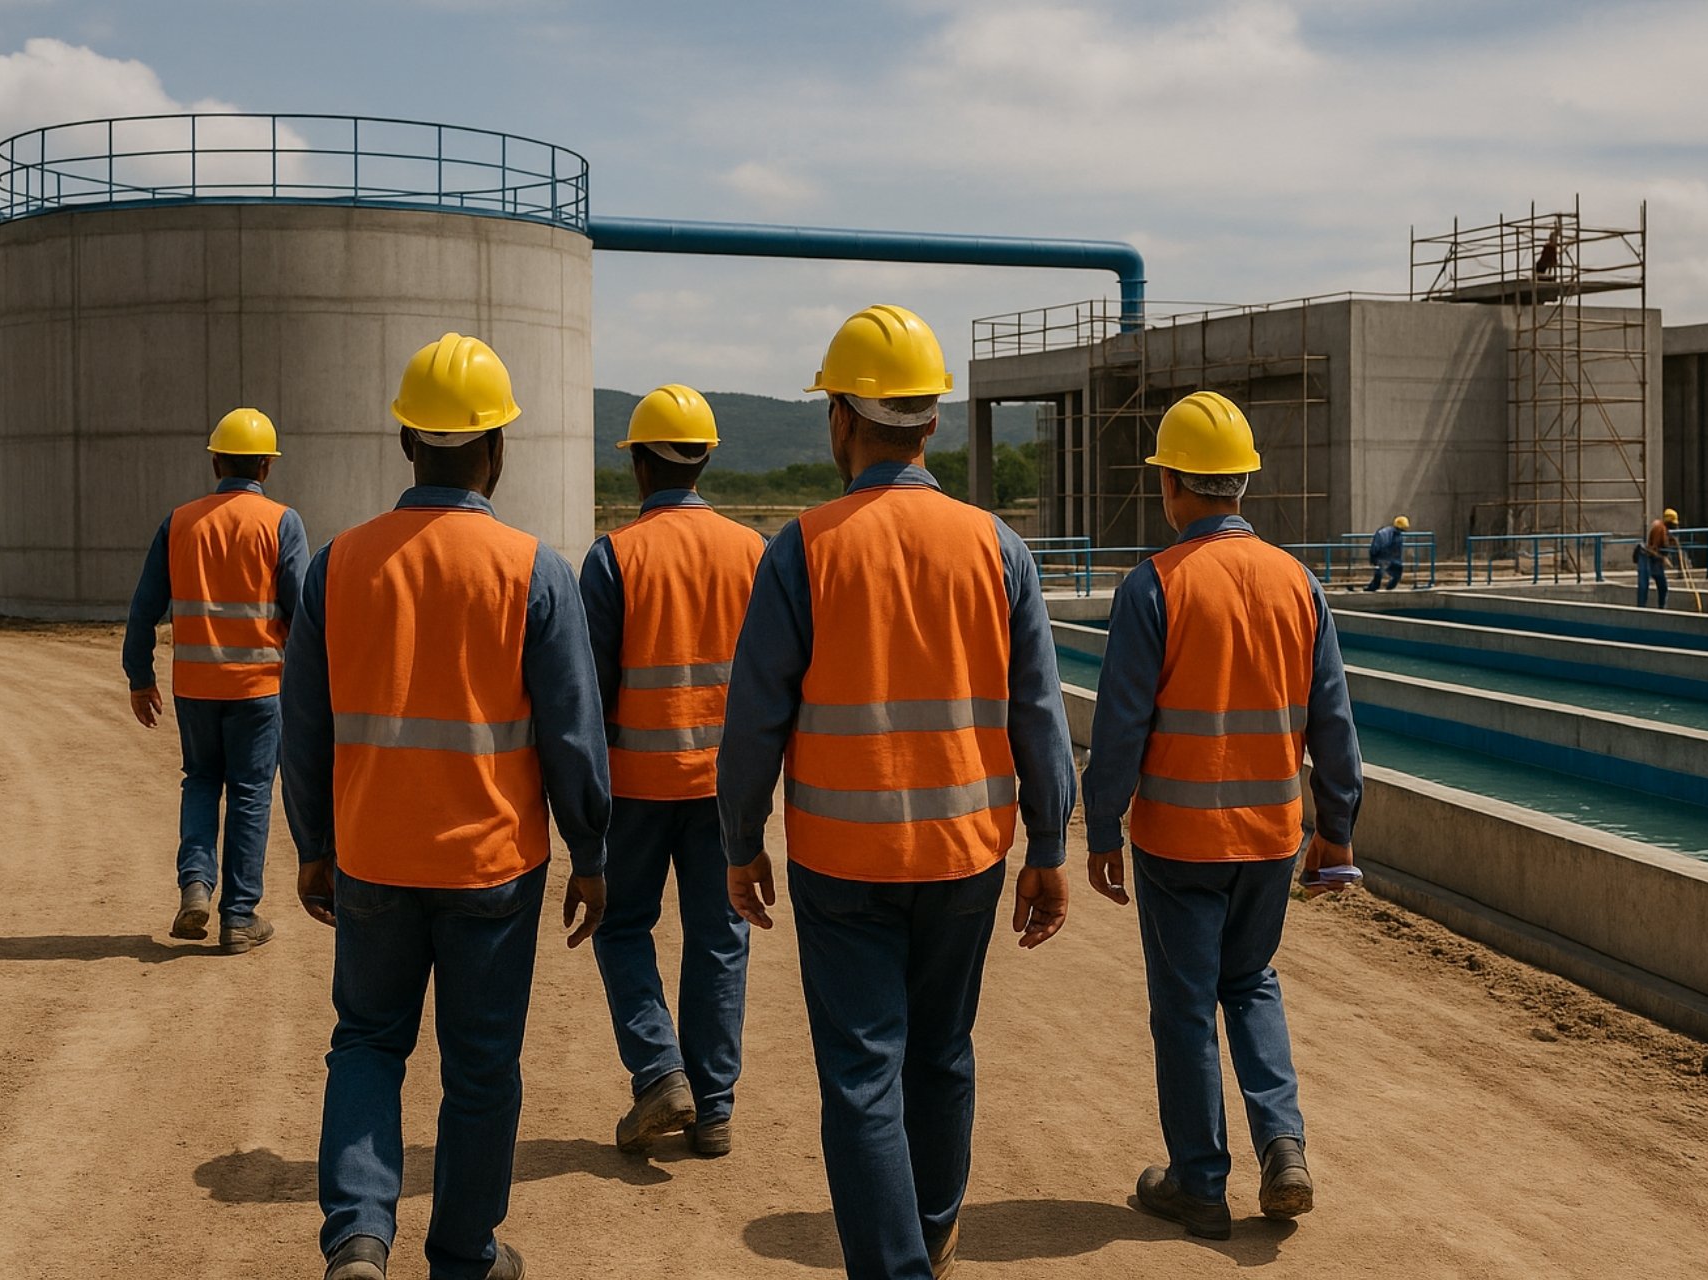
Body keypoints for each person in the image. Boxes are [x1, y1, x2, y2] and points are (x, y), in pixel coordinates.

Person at [716, 303, 1076, 1279]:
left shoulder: (803, 548)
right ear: (932, 420)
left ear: (841, 417)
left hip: (842, 862)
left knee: (861, 1071)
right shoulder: (997, 546)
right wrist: (1048, 847)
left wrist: (740, 841)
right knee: (943, 1050)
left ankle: (896, 1262)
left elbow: (753, 721)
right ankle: (936, 1229)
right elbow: (1039, 716)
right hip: (964, 856)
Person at [280, 333, 612, 1280]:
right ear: (498, 448)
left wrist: (314, 843)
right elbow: (572, 733)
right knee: (481, 1067)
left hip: (372, 856)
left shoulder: (339, 565)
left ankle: (358, 1238)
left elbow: (304, 723)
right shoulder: (532, 569)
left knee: (367, 1043)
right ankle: (464, 1255)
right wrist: (591, 851)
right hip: (492, 870)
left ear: (405, 442)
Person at [1081, 391, 1363, 1241]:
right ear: (1243, 482)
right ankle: (1284, 1146)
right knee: (1250, 981)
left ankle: (1200, 1184)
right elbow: (1334, 724)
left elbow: (1120, 728)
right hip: (1271, 837)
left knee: (1184, 1006)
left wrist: (1102, 828)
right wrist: (1337, 829)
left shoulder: (1154, 586)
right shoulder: (1298, 583)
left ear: (1171, 484)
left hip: (1179, 841)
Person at [579, 385, 765, 1159]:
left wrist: (580, 813)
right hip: (724, 789)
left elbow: (586, 695)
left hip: (635, 787)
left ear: (639, 466)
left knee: (621, 924)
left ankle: (660, 1070)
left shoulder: (613, 557)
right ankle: (713, 1108)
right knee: (720, 936)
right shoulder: (753, 551)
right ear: (705, 460)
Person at [122, 407, 307, 954]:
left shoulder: (180, 522)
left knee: (202, 780)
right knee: (250, 793)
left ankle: (196, 887)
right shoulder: (281, 523)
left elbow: (143, 608)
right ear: (266, 467)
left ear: (216, 463)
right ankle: (239, 917)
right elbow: (302, 613)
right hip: (258, 689)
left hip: (195, 687)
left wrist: (139, 677)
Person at [1637, 507, 1680, 608]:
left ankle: (1661, 608)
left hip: (1655, 561)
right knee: (1644, 587)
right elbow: (1652, 549)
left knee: (1663, 586)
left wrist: (1674, 542)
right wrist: (1663, 559)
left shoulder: (1665, 531)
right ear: (1669, 522)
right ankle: (1641, 609)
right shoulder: (1659, 529)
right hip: (1647, 558)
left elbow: (1665, 544)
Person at [1365, 515, 1409, 591]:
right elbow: (1379, 546)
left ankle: (1376, 586)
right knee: (1385, 570)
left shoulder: (1388, 533)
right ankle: (1378, 586)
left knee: (1383, 571)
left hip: (1386, 557)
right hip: (1384, 556)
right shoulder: (1392, 535)